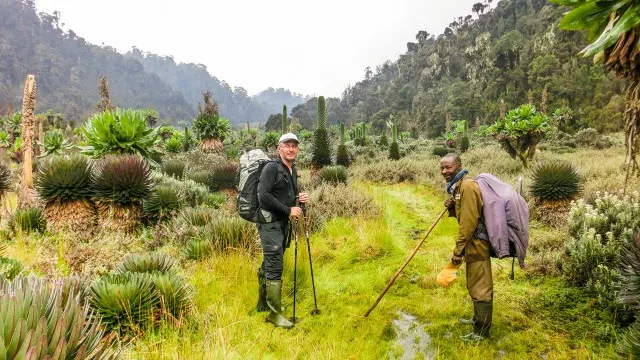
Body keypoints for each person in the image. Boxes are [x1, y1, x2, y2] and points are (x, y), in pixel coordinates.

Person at [256, 133, 309, 329]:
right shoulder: (271, 168)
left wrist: (299, 200)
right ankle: (274, 314)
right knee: (275, 266)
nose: (291, 149)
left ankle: (264, 304)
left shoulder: (291, 170)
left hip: (281, 224)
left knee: (269, 262)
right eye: (287, 145)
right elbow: (264, 197)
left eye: (294, 146)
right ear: (279, 148)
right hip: (269, 223)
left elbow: (287, 196)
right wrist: (288, 210)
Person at [440, 153, 493, 341]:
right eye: (442, 168)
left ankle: (481, 332)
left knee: (481, 286)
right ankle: (477, 319)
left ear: (459, 166)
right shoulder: (459, 187)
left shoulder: (468, 186)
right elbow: (463, 214)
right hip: (472, 243)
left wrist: (457, 252)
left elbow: (468, 224)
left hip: (477, 243)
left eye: (448, 167)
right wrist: (453, 206)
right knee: (474, 282)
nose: (444, 171)